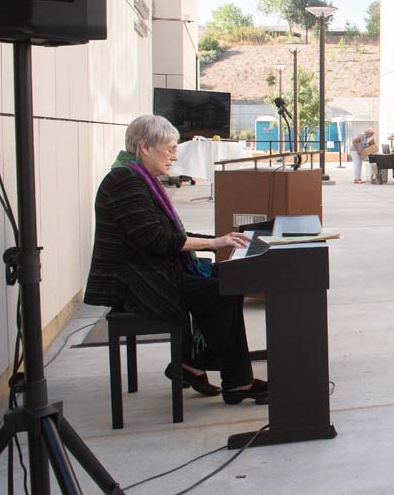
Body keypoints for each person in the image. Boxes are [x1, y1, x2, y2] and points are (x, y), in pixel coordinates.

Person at [84, 115, 267, 404]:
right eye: (170, 148)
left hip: (153, 271)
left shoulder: (136, 177)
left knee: (227, 280)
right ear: (145, 147)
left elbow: (168, 233)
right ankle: (215, 371)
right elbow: (158, 240)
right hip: (138, 282)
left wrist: (219, 239)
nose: (175, 156)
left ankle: (205, 368)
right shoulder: (125, 181)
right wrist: (213, 242)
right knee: (222, 289)